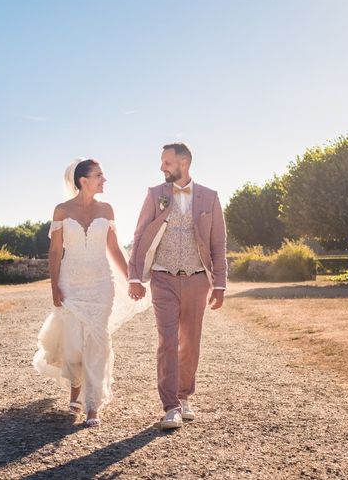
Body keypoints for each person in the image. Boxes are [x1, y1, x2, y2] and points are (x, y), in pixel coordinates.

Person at [33, 158, 150, 427]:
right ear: (83, 180)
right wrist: (54, 286)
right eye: (99, 175)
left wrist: (132, 279)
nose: (104, 180)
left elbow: (114, 249)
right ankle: (75, 386)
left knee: (97, 342)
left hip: (101, 285)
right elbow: (54, 251)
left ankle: (92, 404)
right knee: (73, 346)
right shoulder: (61, 211)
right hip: (71, 284)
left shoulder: (107, 209)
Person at [127, 143, 227, 430]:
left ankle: (184, 397)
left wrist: (219, 284)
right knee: (167, 341)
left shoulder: (210, 197)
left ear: (183, 163)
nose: (162, 167)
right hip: (162, 278)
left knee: (191, 342)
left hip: (197, 279)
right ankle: (170, 406)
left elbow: (218, 244)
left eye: (167, 162)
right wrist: (135, 276)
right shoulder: (155, 194)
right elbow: (139, 234)